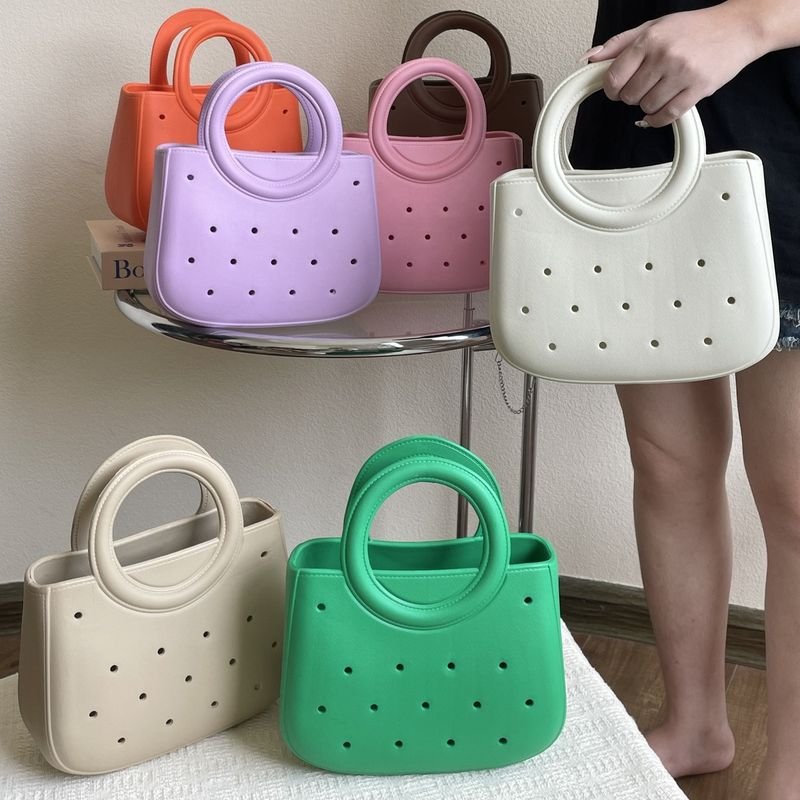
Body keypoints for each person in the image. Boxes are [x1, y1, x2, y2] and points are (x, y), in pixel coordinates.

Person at [568, 2, 800, 798]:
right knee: (668, 464)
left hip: (790, 139)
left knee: (797, 496)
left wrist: (753, 23)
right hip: (642, 139)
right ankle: (695, 723)